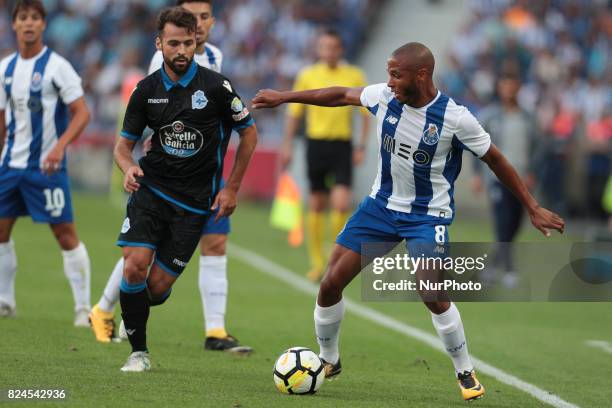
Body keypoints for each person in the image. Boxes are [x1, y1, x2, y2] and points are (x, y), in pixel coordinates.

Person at [252, 42, 564, 401]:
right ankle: (329, 359)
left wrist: (532, 205)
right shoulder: (385, 97)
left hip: (426, 215)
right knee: (329, 284)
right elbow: (339, 94)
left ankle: (464, 370)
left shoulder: (455, 118)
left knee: (431, 290)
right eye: (388, 73)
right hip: (380, 207)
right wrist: (285, 97)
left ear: (422, 75)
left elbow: (496, 160)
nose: (389, 81)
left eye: (396, 75)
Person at [89, 0, 251, 354]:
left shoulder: (217, 66)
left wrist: (230, 184)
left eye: (204, 18)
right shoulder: (157, 71)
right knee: (137, 258)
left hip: (205, 182)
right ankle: (108, 312)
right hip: (160, 180)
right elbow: (147, 120)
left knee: (203, 252)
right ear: (161, 42)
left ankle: (214, 328)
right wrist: (132, 162)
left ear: (208, 26)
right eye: (192, 20)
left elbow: (237, 126)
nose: (199, 25)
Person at [0, 0, 91, 325]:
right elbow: (2, 120)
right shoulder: (5, 68)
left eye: (34, 18)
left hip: (47, 168)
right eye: (22, 18)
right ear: (14, 25)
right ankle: (5, 299)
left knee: (65, 234)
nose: (28, 23)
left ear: (42, 25)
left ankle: (83, 309)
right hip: (10, 165)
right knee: (1, 231)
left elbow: (82, 113)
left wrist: (59, 148)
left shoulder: (57, 66)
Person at [282, 29, 370, 282]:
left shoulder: (354, 75)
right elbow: (295, 114)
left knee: (341, 203)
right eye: (324, 47)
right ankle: (317, 262)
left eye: (333, 47)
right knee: (317, 203)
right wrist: (287, 145)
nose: (329, 52)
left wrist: (361, 146)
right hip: (316, 145)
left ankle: (336, 257)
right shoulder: (307, 75)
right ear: (319, 49)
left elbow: (365, 114)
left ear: (340, 50)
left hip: (342, 145)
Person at [471, 71, 539, 288]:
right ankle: (509, 269)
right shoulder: (491, 116)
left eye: (512, 85)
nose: (508, 90)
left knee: (515, 224)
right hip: (497, 179)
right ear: (499, 88)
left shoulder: (527, 117)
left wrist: (533, 171)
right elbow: (475, 143)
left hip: (521, 179)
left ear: (518, 88)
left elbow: (539, 147)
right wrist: (476, 174)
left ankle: (491, 267)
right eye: (504, 85)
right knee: (502, 222)